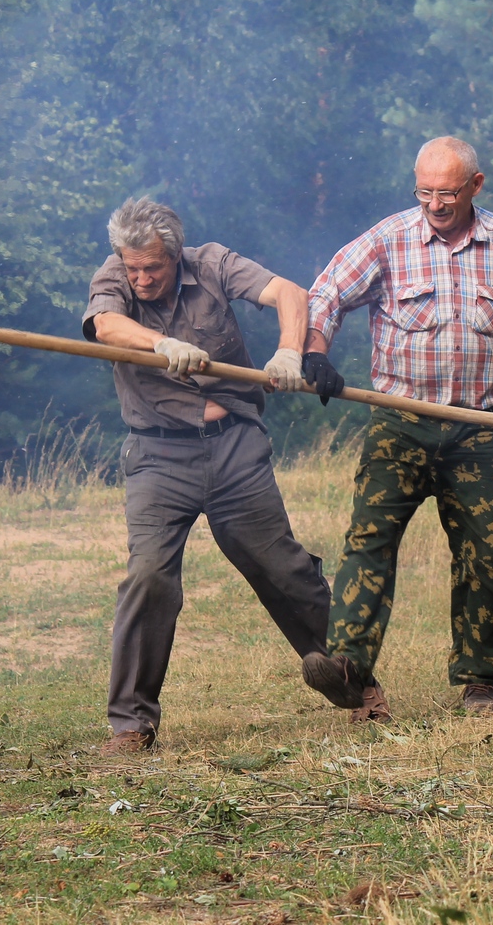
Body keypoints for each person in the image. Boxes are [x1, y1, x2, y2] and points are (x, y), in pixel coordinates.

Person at [299, 137, 493, 720]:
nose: (435, 204)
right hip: (399, 423)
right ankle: (348, 667)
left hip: (479, 428)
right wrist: (317, 352)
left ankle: (480, 681)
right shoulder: (389, 239)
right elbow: (326, 291)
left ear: (476, 186)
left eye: (447, 193)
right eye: (424, 192)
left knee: (489, 553)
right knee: (369, 542)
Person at [83, 196, 330, 753]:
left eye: (152, 268)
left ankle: (351, 678)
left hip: (235, 447)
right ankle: (132, 726)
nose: (141, 279)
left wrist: (288, 352)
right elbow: (105, 326)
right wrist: (160, 342)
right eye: (133, 268)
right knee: (149, 577)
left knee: (285, 568)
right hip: (157, 455)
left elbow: (290, 293)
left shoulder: (213, 263)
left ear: (175, 256)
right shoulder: (114, 275)